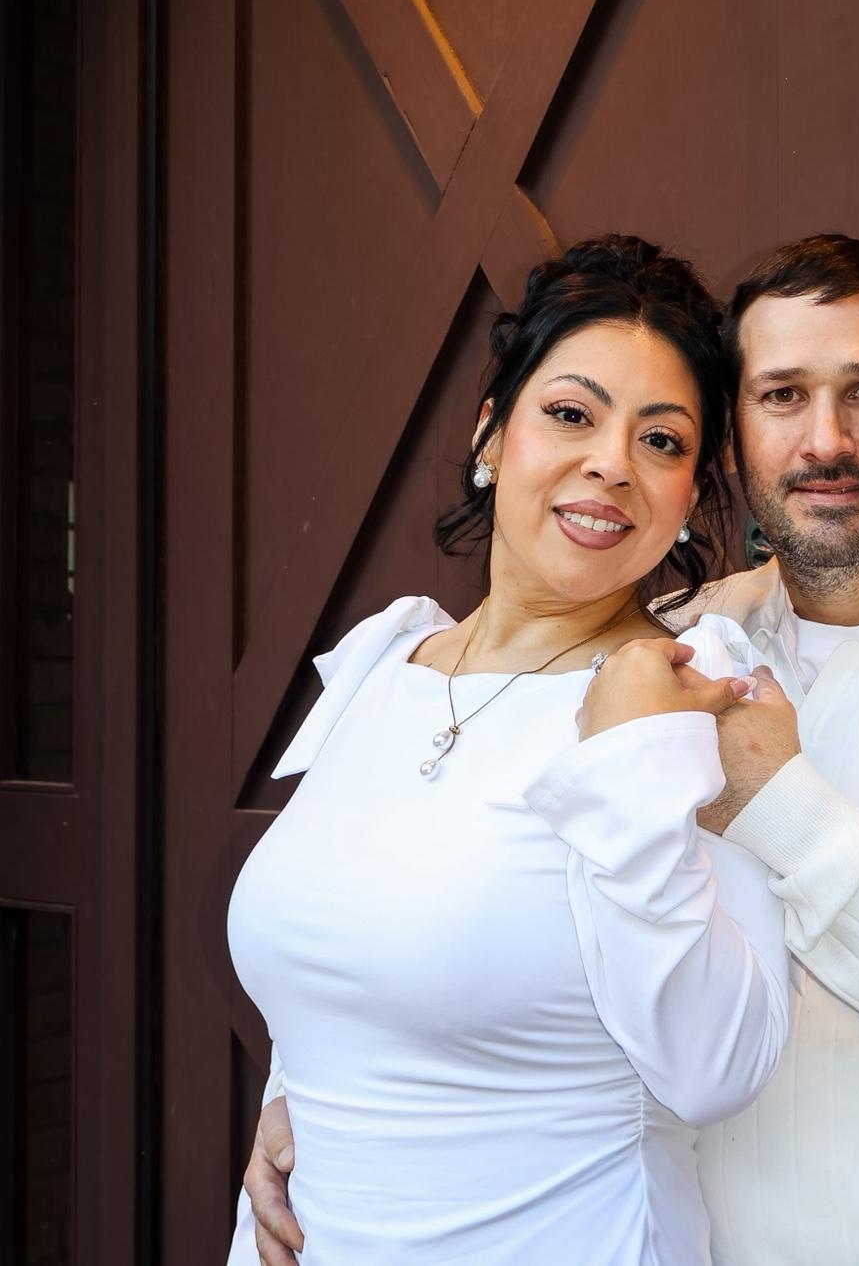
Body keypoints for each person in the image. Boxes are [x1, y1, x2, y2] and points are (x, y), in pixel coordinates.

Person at [246, 234, 859, 1266]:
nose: (825, 439)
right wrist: (322, 1091)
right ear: (734, 444)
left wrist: (776, 798)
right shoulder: (683, 639)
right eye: (781, 396)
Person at [225, 235, 789, 1266]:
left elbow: (718, 1068)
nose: (612, 462)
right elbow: (349, 943)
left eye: (662, 441)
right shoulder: (387, 661)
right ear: (491, 433)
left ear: (689, 495)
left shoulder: (693, 692)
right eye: (572, 414)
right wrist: (296, 1091)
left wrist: (632, 764)